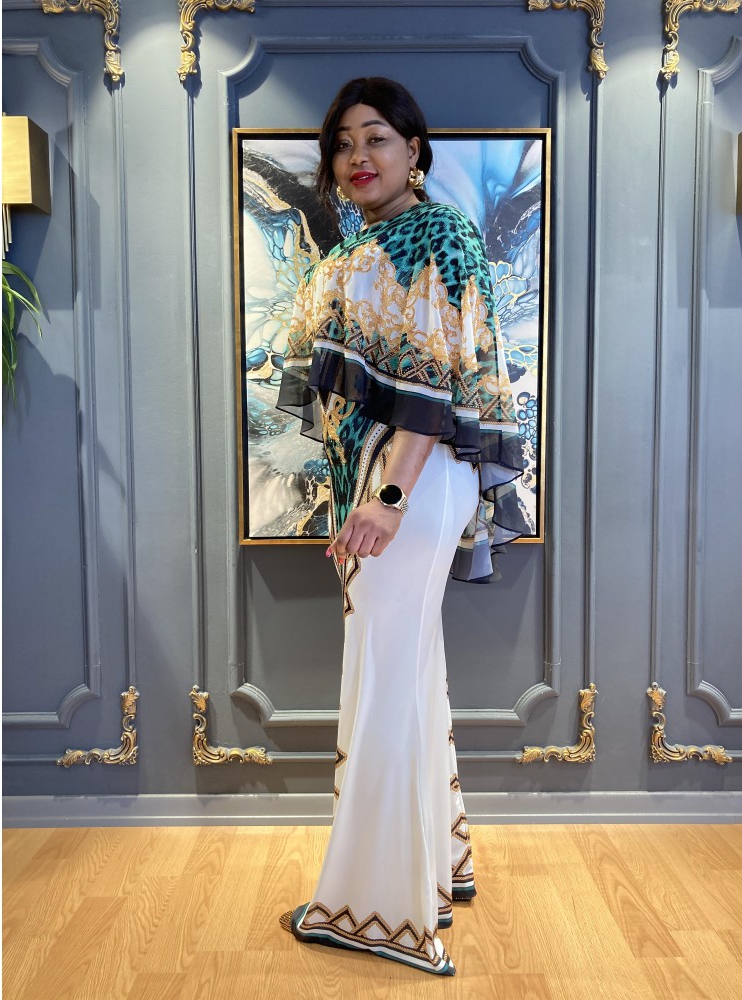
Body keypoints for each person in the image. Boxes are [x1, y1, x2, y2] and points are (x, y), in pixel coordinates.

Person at [276, 76, 525, 977]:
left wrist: (385, 498)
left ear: (414, 149)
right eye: (343, 143)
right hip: (389, 479)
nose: (358, 157)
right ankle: (429, 873)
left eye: (377, 137)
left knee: (381, 674)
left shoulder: (438, 233)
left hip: (407, 480)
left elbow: (432, 378)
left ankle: (372, 909)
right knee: (403, 669)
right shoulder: (365, 243)